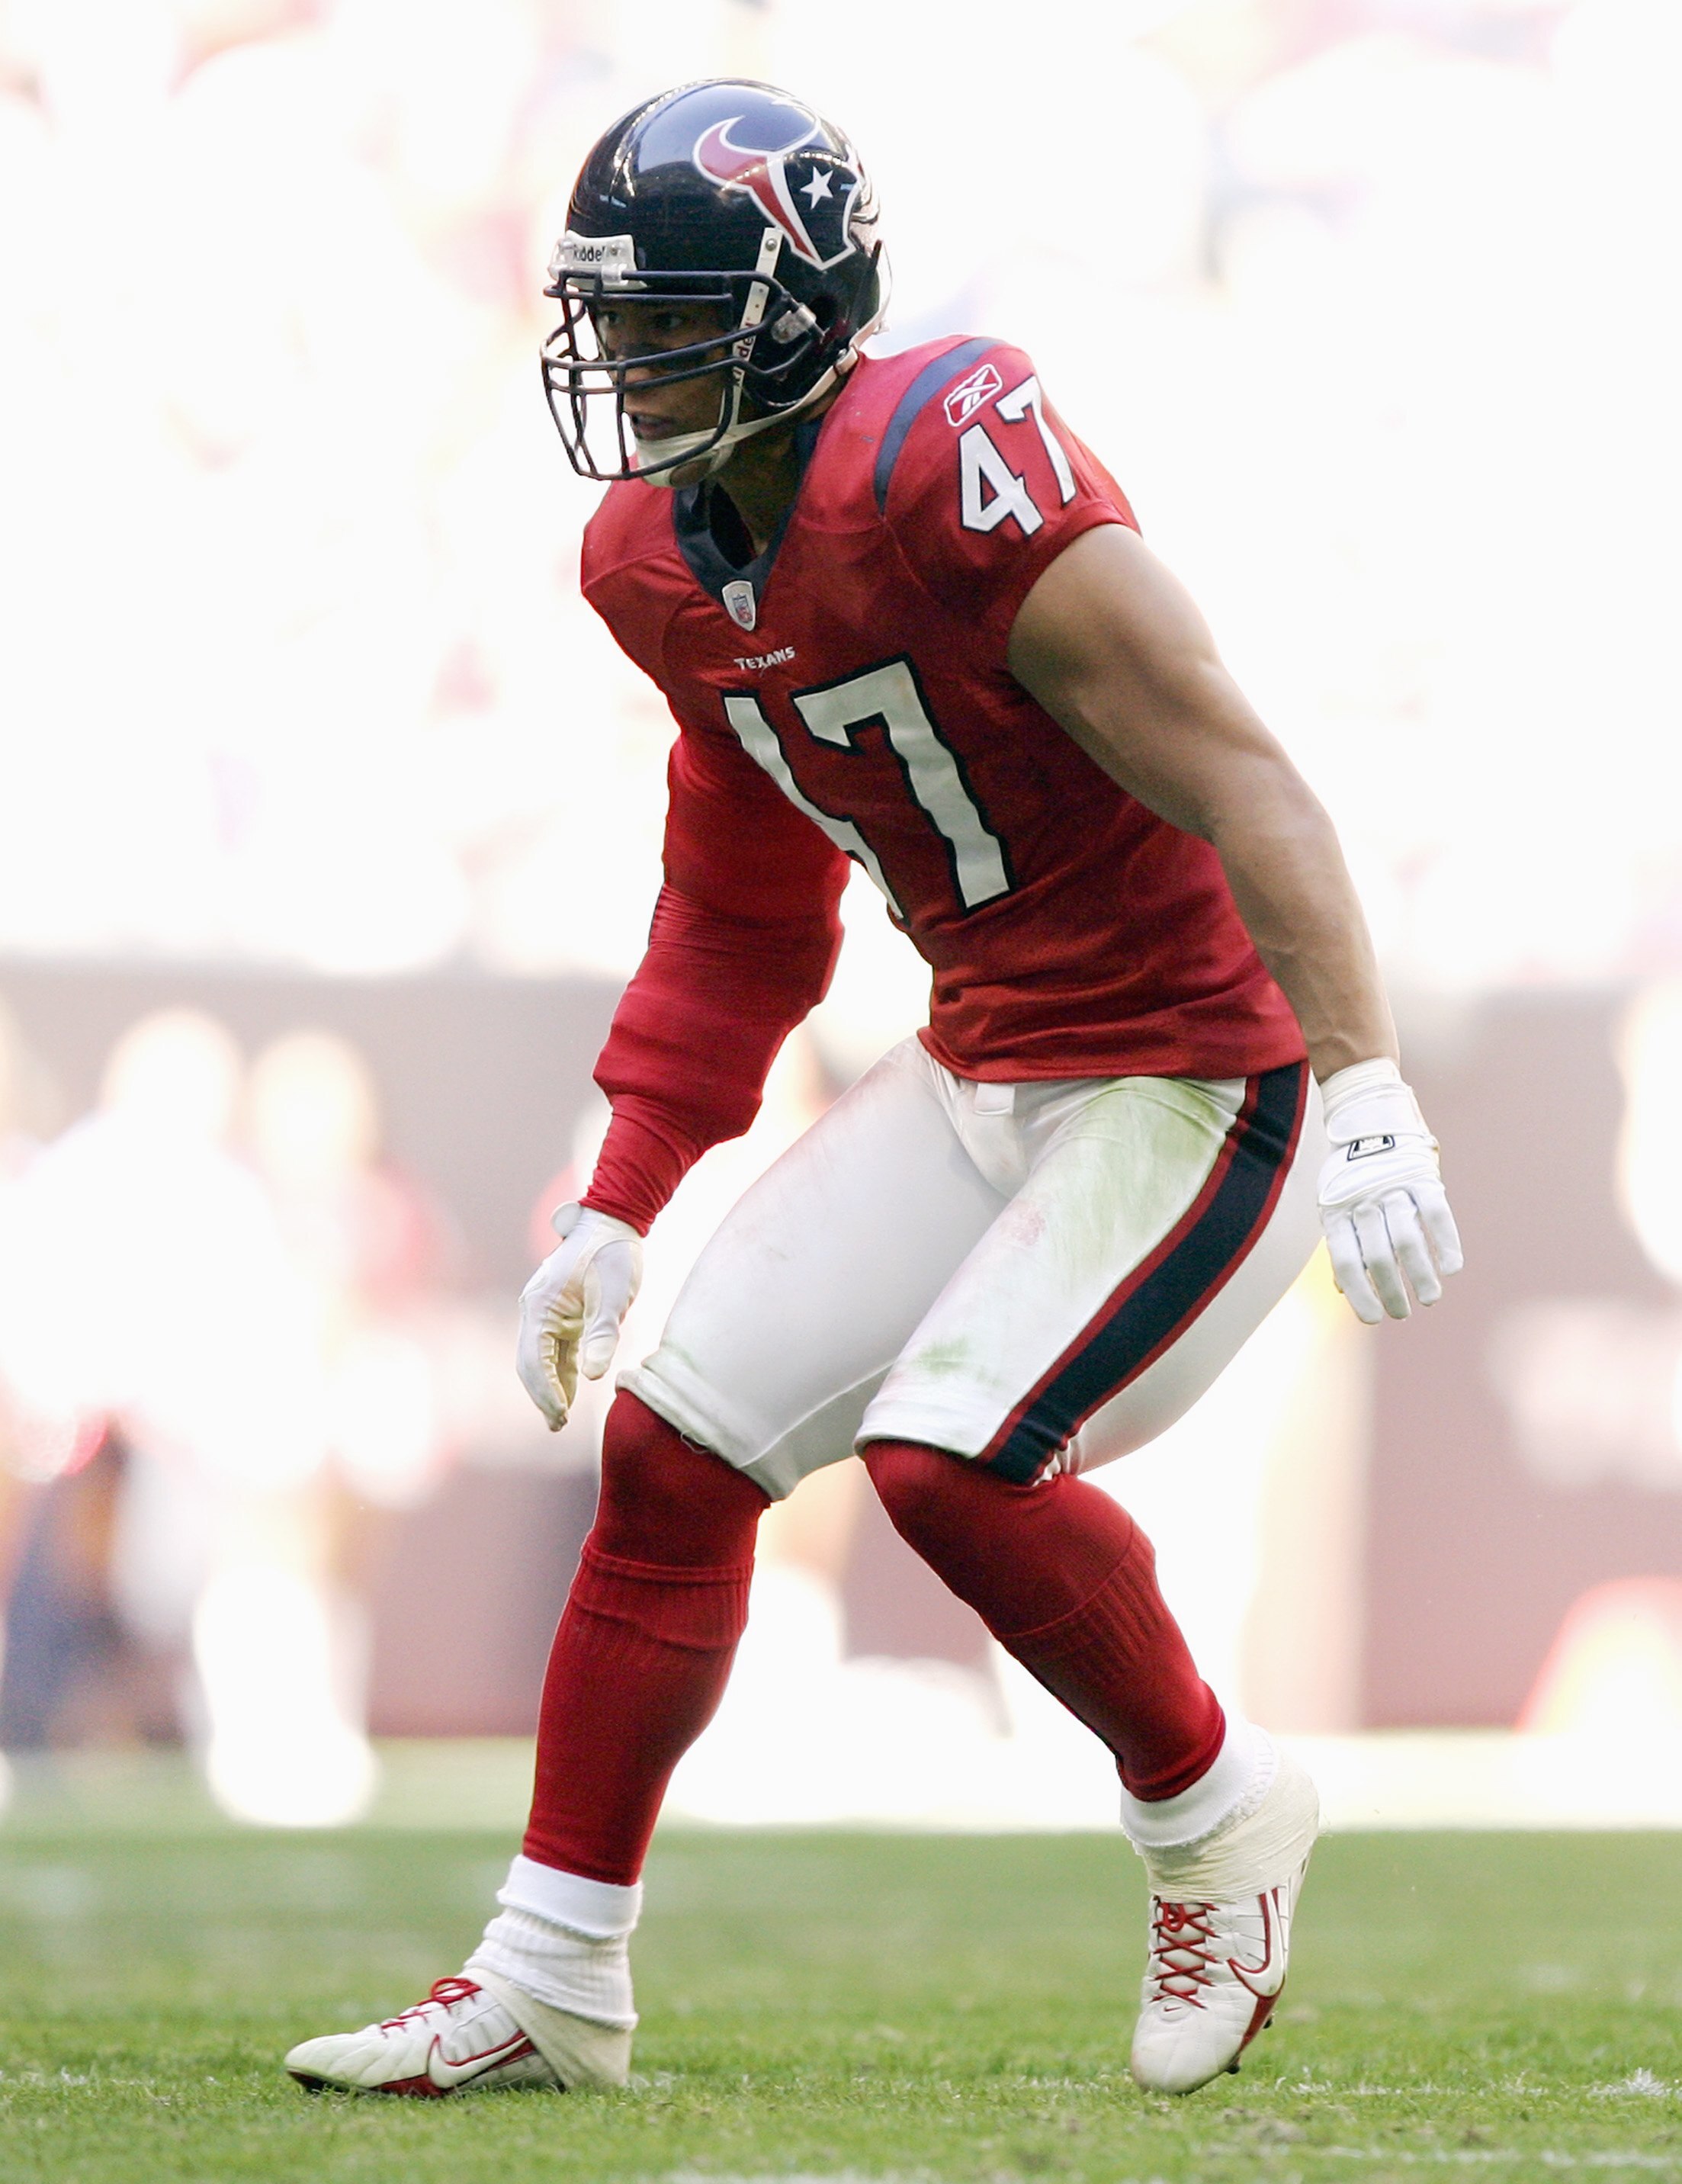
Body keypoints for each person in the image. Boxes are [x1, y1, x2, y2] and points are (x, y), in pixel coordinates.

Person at [285, 78, 1462, 2102]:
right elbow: (739, 911)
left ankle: (1217, 1811)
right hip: (988, 1059)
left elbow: (1246, 767)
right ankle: (553, 1979)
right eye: (613, 318)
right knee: (669, 1447)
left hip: (1197, 1072)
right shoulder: (650, 555)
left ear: (795, 302)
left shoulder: (952, 459)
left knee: (949, 1456)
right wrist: (618, 1197)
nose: (630, 362)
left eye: (670, 316)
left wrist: (1362, 1080)